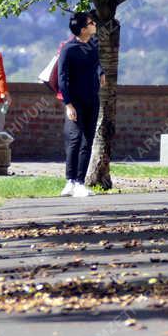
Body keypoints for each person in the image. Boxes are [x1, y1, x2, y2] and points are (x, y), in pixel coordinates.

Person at [58, 11, 104, 197]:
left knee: (88, 140)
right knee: (75, 139)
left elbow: (96, 63)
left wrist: (101, 73)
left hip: (92, 99)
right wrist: (68, 104)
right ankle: (70, 181)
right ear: (83, 29)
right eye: (91, 23)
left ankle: (79, 182)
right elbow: (62, 78)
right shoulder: (68, 49)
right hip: (75, 101)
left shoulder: (93, 45)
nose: (95, 24)